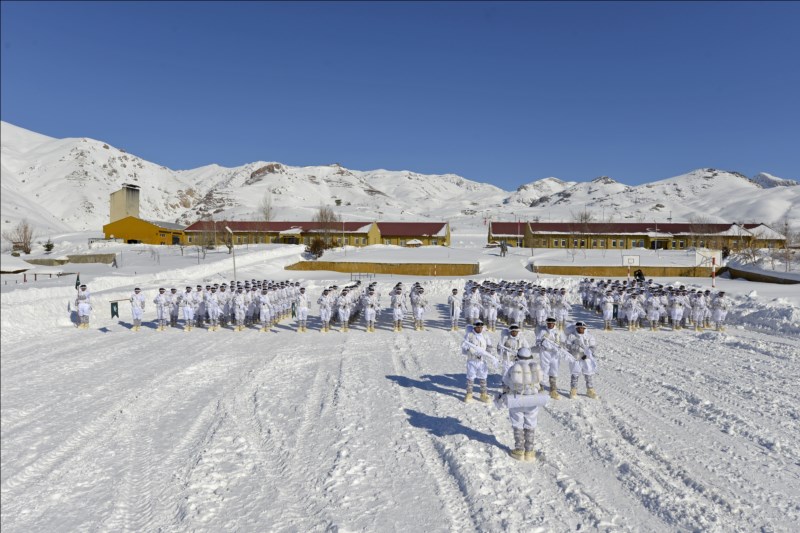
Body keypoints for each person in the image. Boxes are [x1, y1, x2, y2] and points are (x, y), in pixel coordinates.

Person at [495, 346, 546, 461]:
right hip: (532, 400)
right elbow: (541, 383)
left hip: (516, 399)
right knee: (530, 423)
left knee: (517, 423)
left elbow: (506, 383)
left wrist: (503, 395)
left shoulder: (513, 368)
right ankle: (529, 451)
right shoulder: (535, 368)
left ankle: (519, 450)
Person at [461, 320, 495, 403]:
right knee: (470, 377)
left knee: (483, 377)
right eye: (477, 327)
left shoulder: (485, 335)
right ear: (474, 327)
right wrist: (471, 350)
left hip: (482, 361)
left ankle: (483, 394)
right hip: (472, 360)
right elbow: (464, 345)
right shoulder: (469, 335)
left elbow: (489, 346)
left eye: (480, 327)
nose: (479, 328)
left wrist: (487, 353)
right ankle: (469, 394)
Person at [565, 321, 598, 399]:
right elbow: (567, 346)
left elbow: (593, 347)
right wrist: (575, 348)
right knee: (575, 374)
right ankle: (573, 390)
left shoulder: (589, 336)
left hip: (586, 358)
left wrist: (586, 355)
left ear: (585, 328)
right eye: (578, 328)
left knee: (588, 373)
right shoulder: (571, 336)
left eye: (582, 328)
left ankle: (590, 390)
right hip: (575, 357)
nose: (580, 329)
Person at [536, 317, 567, 400]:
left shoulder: (559, 332)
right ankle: (541, 387)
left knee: (554, 370)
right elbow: (537, 341)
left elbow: (564, 341)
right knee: (544, 369)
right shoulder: (543, 331)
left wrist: (562, 346)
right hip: (545, 352)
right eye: (548, 323)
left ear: (554, 323)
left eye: (551, 323)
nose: (550, 324)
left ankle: (553, 390)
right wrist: (541, 344)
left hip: (555, 353)